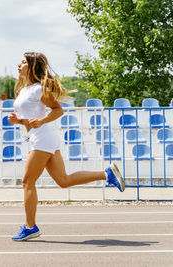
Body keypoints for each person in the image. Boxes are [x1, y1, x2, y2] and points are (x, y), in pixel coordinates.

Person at [8, 52, 125, 242]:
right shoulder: (24, 91)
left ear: (31, 66)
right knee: (63, 181)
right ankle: (106, 174)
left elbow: (57, 110)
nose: (18, 65)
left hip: (42, 139)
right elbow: (31, 121)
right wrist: (19, 121)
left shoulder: (38, 89)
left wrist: (42, 120)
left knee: (27, 181)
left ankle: (30, 227)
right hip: (41, 138)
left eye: (23, 62)